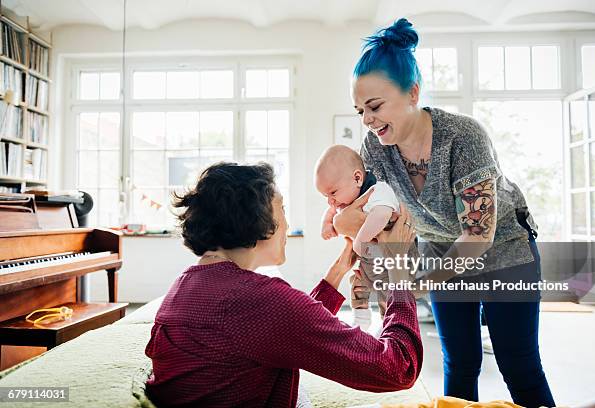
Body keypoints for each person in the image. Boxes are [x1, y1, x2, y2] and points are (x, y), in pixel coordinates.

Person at [333, 18, 556, 408]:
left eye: (374, 106)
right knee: (460, 362)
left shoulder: (463, 137)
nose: (367, 120)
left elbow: (478, 235)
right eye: (359, 111)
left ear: (413, 92)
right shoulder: (376, 148)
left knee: (519, 365)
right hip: (440, 250)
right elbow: (364, 212)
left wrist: (416, 284)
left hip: (506, 252)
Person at [144, 162, 423, 408]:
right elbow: (399, 368)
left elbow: (284, 328)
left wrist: (338, 271)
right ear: (255, 219)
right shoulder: (257, 299)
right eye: (282, 211)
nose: (287, 225)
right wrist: (398, 267)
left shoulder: (186, 284)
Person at [315, 144, 405, 331]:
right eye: (325, 195)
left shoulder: (377, 191)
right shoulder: (344, 197)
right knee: (357, 287)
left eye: (332, 193)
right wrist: (327, 224)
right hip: (367, 260)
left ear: (357, 178)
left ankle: (387, 326)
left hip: (389, 260)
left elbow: (381, 213)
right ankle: (361, 322)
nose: (330, 201)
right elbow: (330, 210)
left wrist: (360, 239)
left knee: (386, 292)